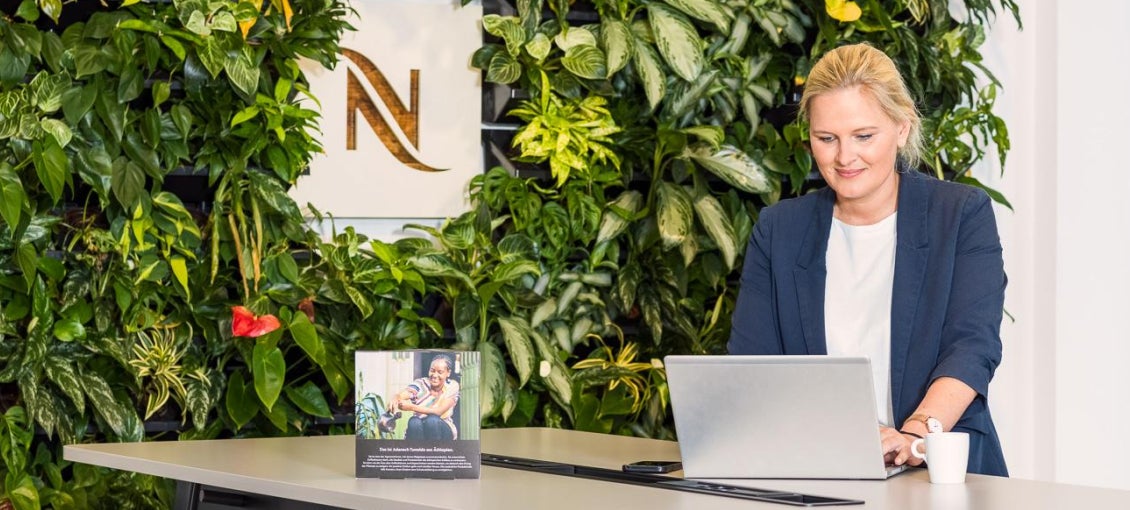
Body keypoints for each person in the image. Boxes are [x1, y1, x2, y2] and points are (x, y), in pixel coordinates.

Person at [727, 43, 1008, 476]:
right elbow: (752, 367)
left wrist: (915, 434)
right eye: (826, 139)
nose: (844, 157)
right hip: (818, 473)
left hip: (940, 472)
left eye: (864, 136)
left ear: (901, 127)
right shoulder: (779, 229)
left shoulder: (960, 215)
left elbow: (972, 348)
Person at [388, 354, 460, 440]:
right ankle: (418, 451)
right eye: (432, 370)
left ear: (448, 373)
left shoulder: (452, 386)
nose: (434, 375)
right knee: (413, 421)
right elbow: (403, 394)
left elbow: (438, 412)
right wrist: (395, 398)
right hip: (419, 427)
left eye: (440, 372)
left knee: (432, 420)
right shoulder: (421, 383)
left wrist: (411, 407)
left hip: (443, 428)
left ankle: (437, 452)